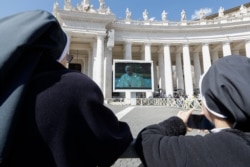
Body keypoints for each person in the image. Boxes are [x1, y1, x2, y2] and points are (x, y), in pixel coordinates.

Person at [0, 10, 133, 167]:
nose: (67, 62)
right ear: (55, 51)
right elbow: (111, 141)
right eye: (67, 57)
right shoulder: (73, 86)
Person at [135, 55, 250, 167]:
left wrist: (177, 123)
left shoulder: (201, 150)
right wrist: (218, 128)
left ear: (211, 103)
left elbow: (146, 141)